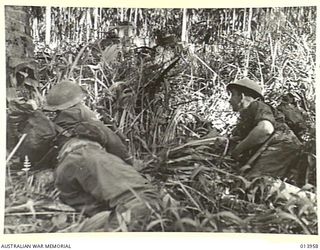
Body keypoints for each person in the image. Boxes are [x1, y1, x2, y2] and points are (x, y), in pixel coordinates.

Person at [38, 80, 160, 231]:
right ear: (76, 102)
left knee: (104, 212)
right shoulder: (81, 112)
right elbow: (114, 142)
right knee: (143, 199)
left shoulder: (52, 124)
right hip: (84, 156)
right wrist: (131, 163)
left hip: (64, 174)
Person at [227, 78, 306, 186]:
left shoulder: (257, 105)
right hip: (280, 146)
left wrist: (238, 150)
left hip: (282, 145)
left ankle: (310, 200)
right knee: (248, 181)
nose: (229, 100)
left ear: (241, 96)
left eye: (232, 95)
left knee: (257, 183)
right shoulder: (246, 116)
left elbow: (265, 129)